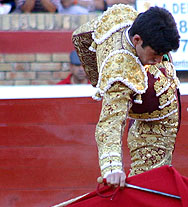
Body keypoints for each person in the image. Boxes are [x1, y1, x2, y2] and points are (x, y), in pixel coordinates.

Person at [73, 5, 180, 187]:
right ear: (137, 40)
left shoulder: (123, 17)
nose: (159, 60)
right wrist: (112, 167)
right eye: (155, 54)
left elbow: (80, 35)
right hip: (150, 128)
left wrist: (97, 78)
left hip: (155, 109)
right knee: (149, 188)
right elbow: (110, 122)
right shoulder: (120, 72)